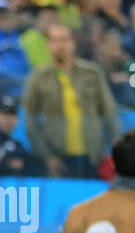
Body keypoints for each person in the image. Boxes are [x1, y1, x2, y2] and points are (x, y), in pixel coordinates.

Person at [22, 23, 121, 180]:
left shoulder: (92, 73)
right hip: (58, 156)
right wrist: (47, 157)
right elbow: (30, 121)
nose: (60, 45)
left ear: (72, 43)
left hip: (93, 157)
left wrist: (115, 153)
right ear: (48, 45)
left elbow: (110, 113)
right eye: (54, 40)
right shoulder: (38, 78)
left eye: (64, 40)